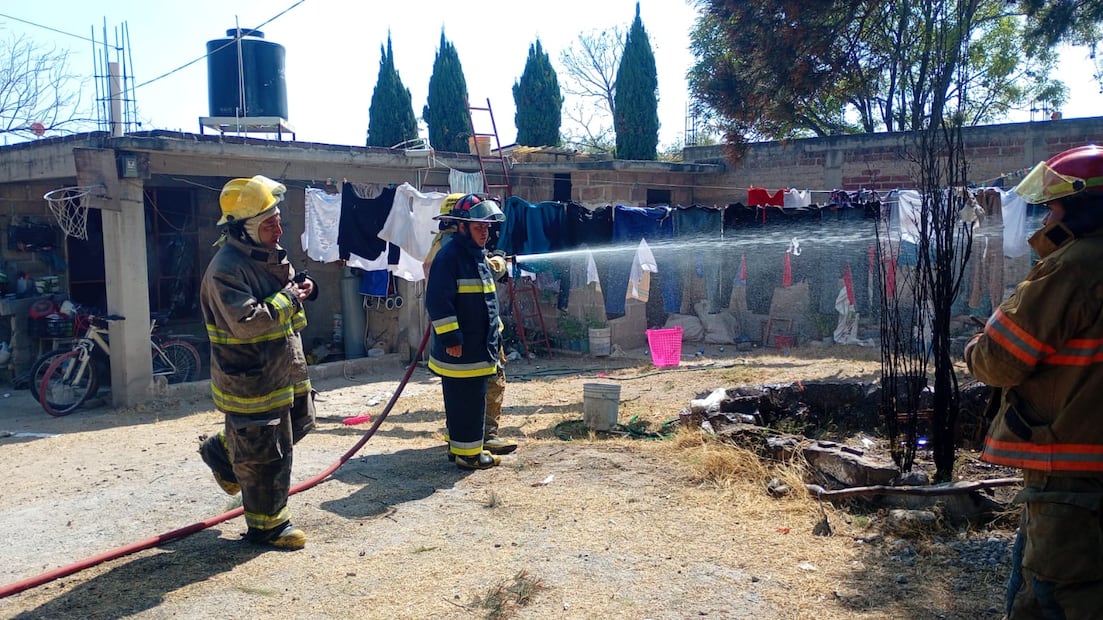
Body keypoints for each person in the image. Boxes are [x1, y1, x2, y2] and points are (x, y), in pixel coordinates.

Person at [964, 144, 1103, 618]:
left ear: (1083, 208)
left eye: (1053, 207)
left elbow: (998, 358)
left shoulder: (1075, 265)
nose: (1044, 219)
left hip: (1073, 474)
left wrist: (974, 348)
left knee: (1054, 597)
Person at [198, 175, 318, 549]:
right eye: (270, 224)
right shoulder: (225, 269)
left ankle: (224, 449)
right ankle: (267, 526)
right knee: (268, 452)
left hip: (285, 369)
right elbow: (248, 322)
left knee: (299, 424)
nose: (279, 228)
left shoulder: (266, 252)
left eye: (278, 219)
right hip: (251, 378)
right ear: (246, 229)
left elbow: (288, 286)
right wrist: (290, 298)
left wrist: (306, 285)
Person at [424, 193, 517, 457]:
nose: (485, 232)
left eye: (487, 227)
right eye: (479, 227)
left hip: (483, 340)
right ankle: (468, 450)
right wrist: (451, 337)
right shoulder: (448, 254)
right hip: (464, 346)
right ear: (461, 225)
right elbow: (439, 301)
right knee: (466, 399)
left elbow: (482, 293)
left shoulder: (474, 254)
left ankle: (476, 440)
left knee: (480, 392)